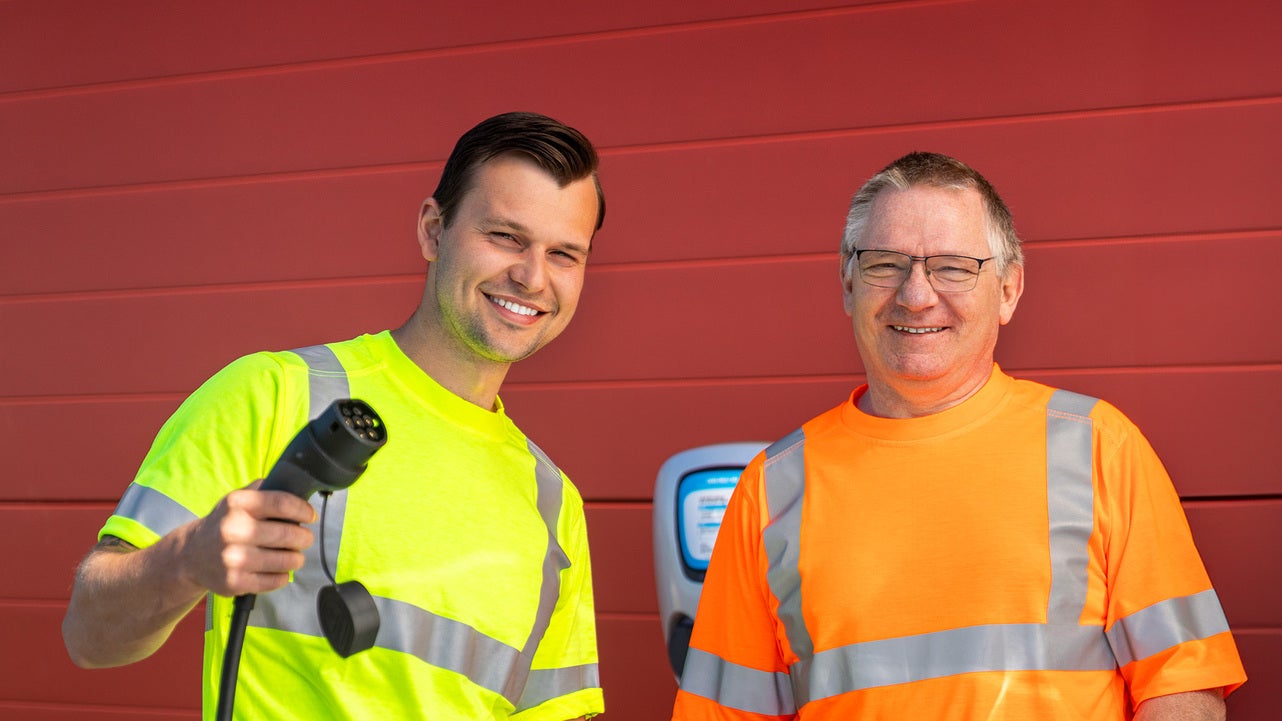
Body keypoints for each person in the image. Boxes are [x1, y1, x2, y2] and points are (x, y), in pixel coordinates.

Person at [62, 111, 607, 721]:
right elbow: (90, 636)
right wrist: (188, 558)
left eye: (564, 253)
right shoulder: (274, 395)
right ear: (433, 230)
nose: (532, 276)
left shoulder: (554, 502)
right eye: (505, 236)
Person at [671, 152, 1246, 720]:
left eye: (953, 266)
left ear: (1008, 290)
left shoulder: (1098, 448)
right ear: (848, 284)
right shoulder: (770, 491)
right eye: (885, 263)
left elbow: (1182, 688)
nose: (916, 294)